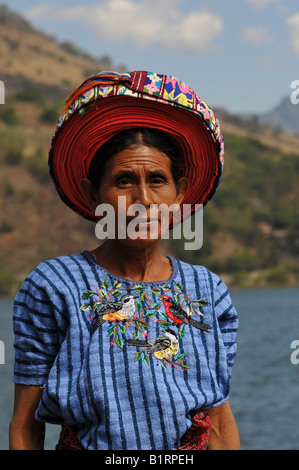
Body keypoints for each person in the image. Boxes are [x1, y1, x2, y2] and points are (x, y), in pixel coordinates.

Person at [9, 71, 240, 450]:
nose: (144, 198)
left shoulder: (208, 292)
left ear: (179, 195)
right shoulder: (54, 286)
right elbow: (24, 426)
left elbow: (218, 420)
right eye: (123, 180)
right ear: (93, 194)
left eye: (158, 180)